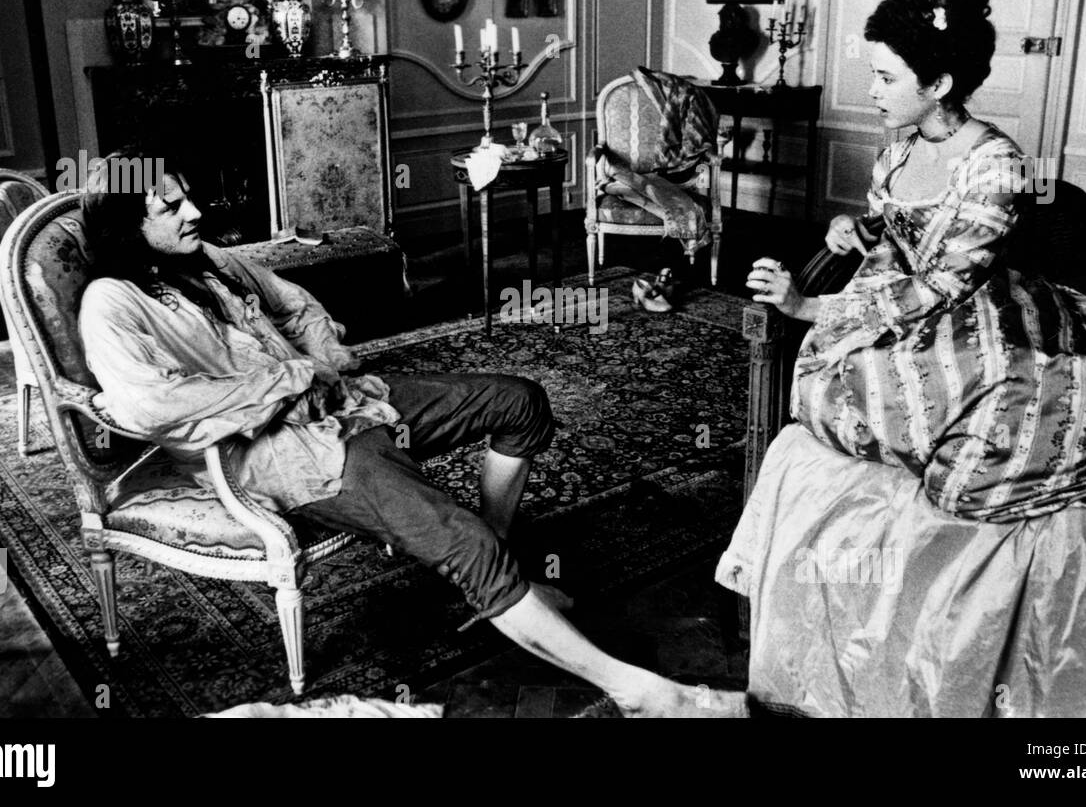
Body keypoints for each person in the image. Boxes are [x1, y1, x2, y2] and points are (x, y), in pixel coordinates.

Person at [77, 153, 745, 717]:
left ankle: (494, 577)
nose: (193, 211)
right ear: (128, 227)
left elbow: (295, 302)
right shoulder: (111, 300)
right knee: (465, 541)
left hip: (342, 401)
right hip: (286, 455)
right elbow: (148, 402)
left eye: (186, 196)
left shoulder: (209, 260)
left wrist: (325, 362)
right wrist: (285, 380)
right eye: (170, 206)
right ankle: (639, 690)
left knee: (520, 402)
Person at [745, 0, 1086, 521]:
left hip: (974, 323)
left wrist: (810, 306)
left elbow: (942, 288)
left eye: (886, 78)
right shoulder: (899, 149)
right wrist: (854, 227)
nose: (871, 90)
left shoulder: (996, 165)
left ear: (939, 85)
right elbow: (892, 235)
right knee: (828, 391)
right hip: (906, 311)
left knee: (968, 477)